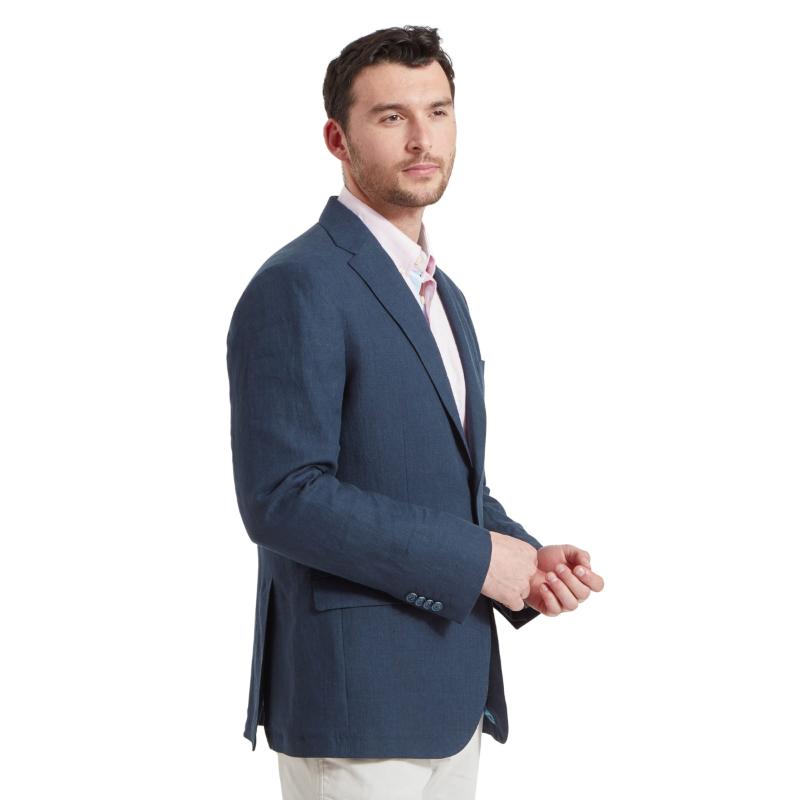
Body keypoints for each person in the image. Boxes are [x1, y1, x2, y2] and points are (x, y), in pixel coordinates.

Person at [226, 25, 604, 800]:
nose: (422, 138)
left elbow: (446, 483)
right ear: (337, 138)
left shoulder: (442, 293)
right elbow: (283, 497)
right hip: (357, 705)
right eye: (391, 116)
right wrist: (478, 561)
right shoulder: (299, 284)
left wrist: (524, 560)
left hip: (450, 697)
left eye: (438, 111)